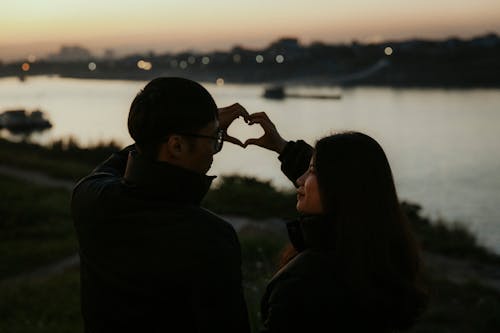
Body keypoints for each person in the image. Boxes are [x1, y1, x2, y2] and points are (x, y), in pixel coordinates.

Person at [71, 77, 251, 333]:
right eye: (214, 139)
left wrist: (187, 130)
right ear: (176, 145)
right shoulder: (210, 238)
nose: (214, 149)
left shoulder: (90, 199)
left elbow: (123, 160)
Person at [244, 112, 428, 332]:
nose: (300, 181)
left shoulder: (302, 285)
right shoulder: (384, 257)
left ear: (339, 188)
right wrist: (283, 148)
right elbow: (343, 175)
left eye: (311, 171)